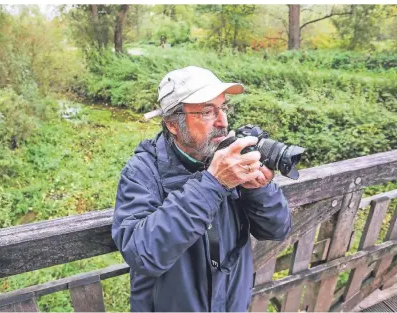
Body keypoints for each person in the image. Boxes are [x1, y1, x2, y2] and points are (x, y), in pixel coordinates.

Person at [111, 66, 291, 312]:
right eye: (207, 111)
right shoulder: (141, 172)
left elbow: (277, 229)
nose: (223, 121)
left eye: (224, 107)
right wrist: (213, 183)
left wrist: (257, 189)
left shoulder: (231, 158)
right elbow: (142, 254)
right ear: (173, 124)